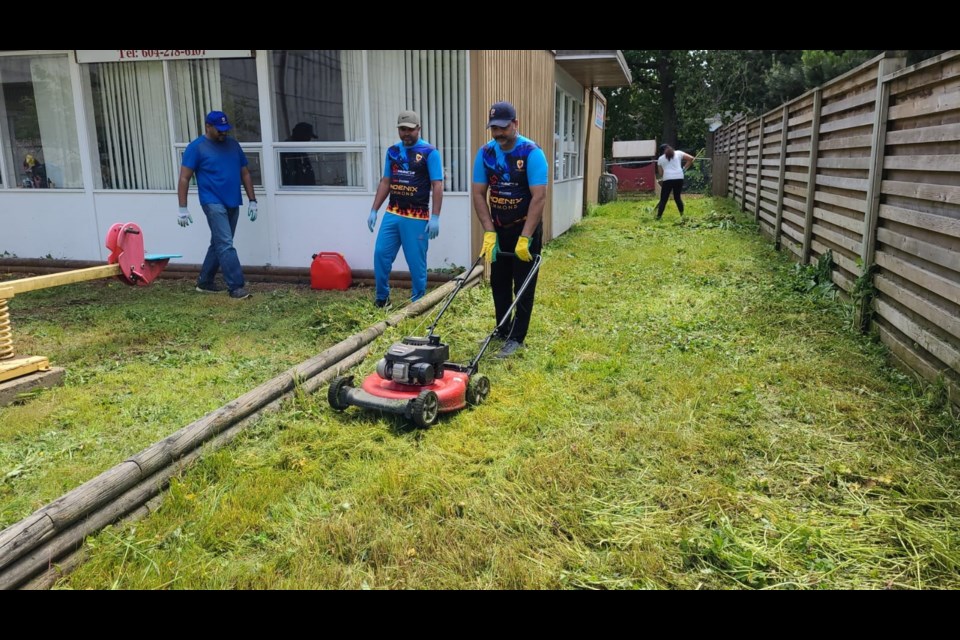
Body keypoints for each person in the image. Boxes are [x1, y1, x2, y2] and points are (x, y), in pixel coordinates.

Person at [472, 101, 548, 359]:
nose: (498, 133)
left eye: (503, 127)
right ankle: (502, 329)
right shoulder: (485, 153)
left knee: (524, 284)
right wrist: (488, 231)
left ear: (515, 124)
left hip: (525, 226)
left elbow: (539, 197)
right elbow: (479, 194)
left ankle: (517, 337)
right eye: (494, 128)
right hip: (499, 228)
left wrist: (525, 237)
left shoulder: (531, 153)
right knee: (499, 282)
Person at [177, 110, 257, 300]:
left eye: (225, 130)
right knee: (226, 244)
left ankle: (204, 282)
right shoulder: (196, 148)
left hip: (233, 200)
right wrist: (182, 208)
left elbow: (244, 173)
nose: (223, 133)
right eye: (219, 130)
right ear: (208, 127)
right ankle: (236, 287)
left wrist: (252, 200)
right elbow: (184, 178)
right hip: (212, 201)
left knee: (219, 243)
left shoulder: (233, 145)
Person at [367, 109, 443, 307]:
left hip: (416, 217)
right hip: (393, 213)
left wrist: (435, 216)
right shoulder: (392, 152)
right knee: (380, 253)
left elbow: (437, 184)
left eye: (410, 129)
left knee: (416, 263)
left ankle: (418, 303)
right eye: (402, 129)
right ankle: (382, 299)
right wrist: (374, 209)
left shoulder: (429, 153)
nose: (406, 133)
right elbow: (386, 181)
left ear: (418, 128)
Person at [655, 143, 695, 220]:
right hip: (679, 177)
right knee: (677, 197)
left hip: (668, 179)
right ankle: (682, 215)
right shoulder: (679, 153)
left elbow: (660, 173)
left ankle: (658, 217)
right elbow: (691, 158)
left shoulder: (660, 159)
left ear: (661, 151)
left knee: (663, 199)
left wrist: (666, 174)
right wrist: (684, 169)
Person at [281, 122, 318, 186]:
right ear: (302, 136)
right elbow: (291, 175)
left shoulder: (298, 148)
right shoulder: (290, 149)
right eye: (308, 137)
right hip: (297, 191)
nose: (309, 140)